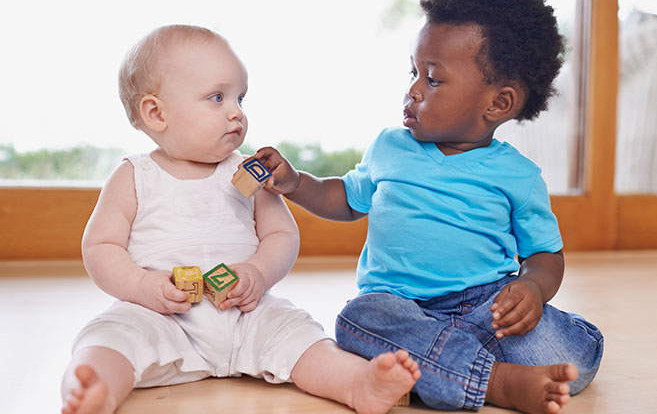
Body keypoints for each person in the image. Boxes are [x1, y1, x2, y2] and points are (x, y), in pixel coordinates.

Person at [253, 0, 604, 414]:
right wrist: (296, 182)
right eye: (414, 72)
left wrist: (532, 288)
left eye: (433, 80)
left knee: (573, 358)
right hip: (399, 306)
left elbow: (546, 256)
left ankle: (443, 365)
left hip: (485, 307)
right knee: (357, 321)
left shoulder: (518, 175)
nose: (413, 89)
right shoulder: (389, 147)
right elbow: (344, 199)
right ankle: (494, 382)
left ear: (497, 104)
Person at [60, 25, 420, 414]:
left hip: (246, 314)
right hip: (160, 315)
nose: (236, 112)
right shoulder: (134, 175)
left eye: (241, 98)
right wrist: (143, 286)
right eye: (217, 98)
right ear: (156, 113)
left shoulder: (247, 173)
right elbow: (101, 247)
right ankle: (95, 387)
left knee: (298, 332)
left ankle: (355, 384)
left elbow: (281, 235)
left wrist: (258, 273)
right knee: (110, 336)